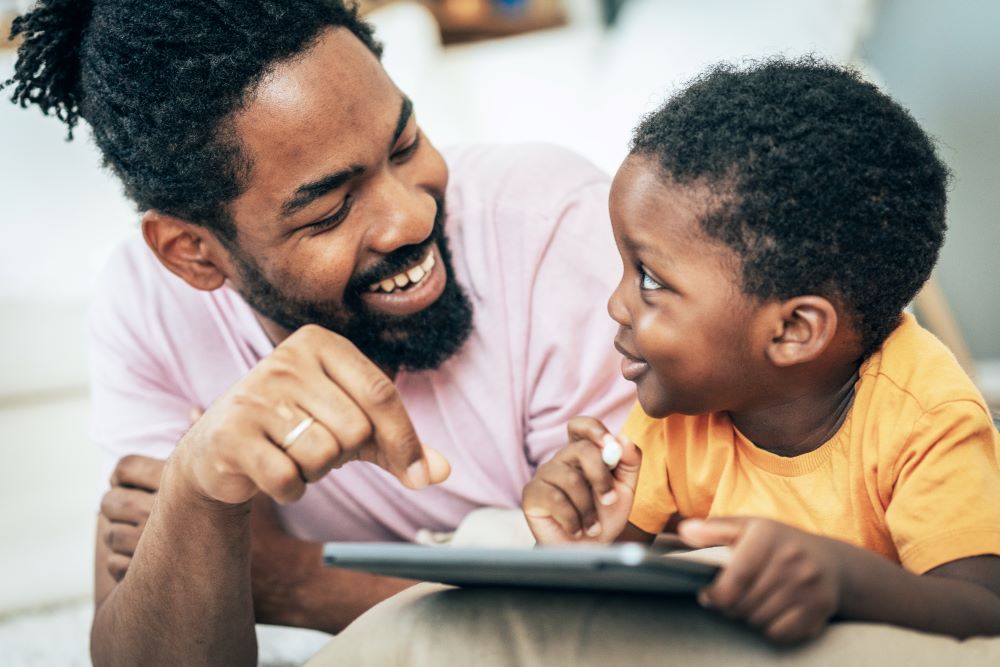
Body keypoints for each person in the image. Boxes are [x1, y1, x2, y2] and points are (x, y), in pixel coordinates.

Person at [4, 0, 632, 664]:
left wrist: (290, 580)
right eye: (331, 210)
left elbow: (624, 601)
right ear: (192, 252)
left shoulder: (551, 228)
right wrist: (198, 492)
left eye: (406, 144)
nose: (411, 216)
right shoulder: (145, 303)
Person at [522, 58, 1000, 643]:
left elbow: (984, 610)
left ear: (793, 330)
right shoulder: (676, 415)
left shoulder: (928, 418)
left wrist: (844, 580)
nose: (615, 306)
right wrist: (583, 532)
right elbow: (618, 576)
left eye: (649, 279)